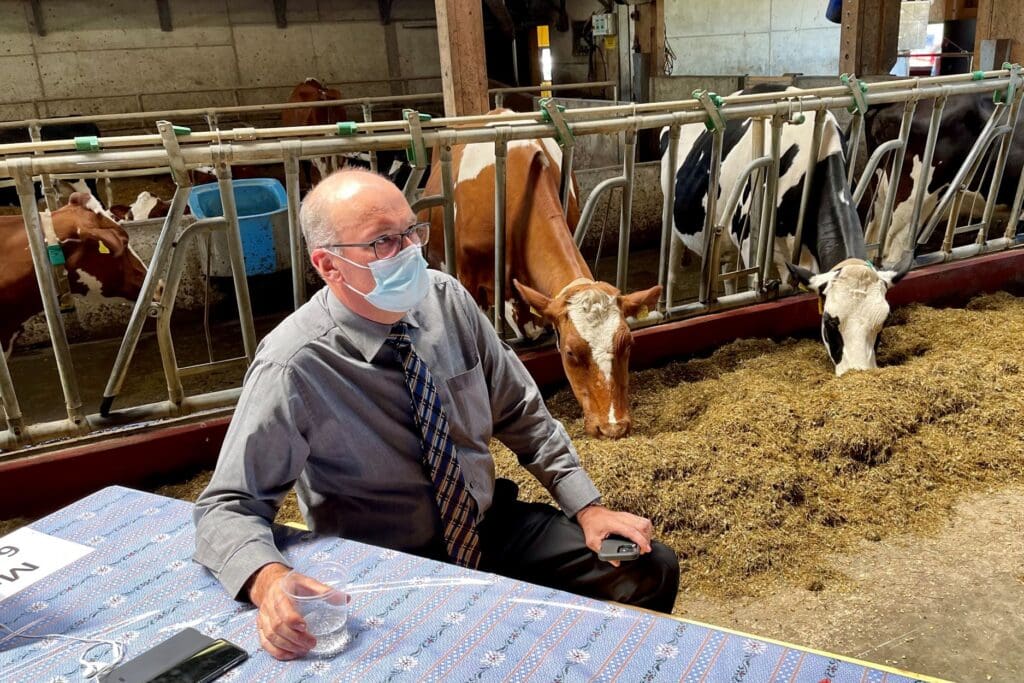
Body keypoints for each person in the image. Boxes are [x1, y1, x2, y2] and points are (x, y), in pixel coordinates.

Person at [193, 169, 679, 660]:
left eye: (411, 232)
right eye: (383, 242)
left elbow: (523, 413)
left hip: (489, 529)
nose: (408, 252)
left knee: (647, 565)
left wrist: (588, 507)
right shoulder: (293, 365)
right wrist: (267, 580)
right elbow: (227, 505)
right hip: (385, 565)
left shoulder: (447, 300)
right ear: (329, 266)